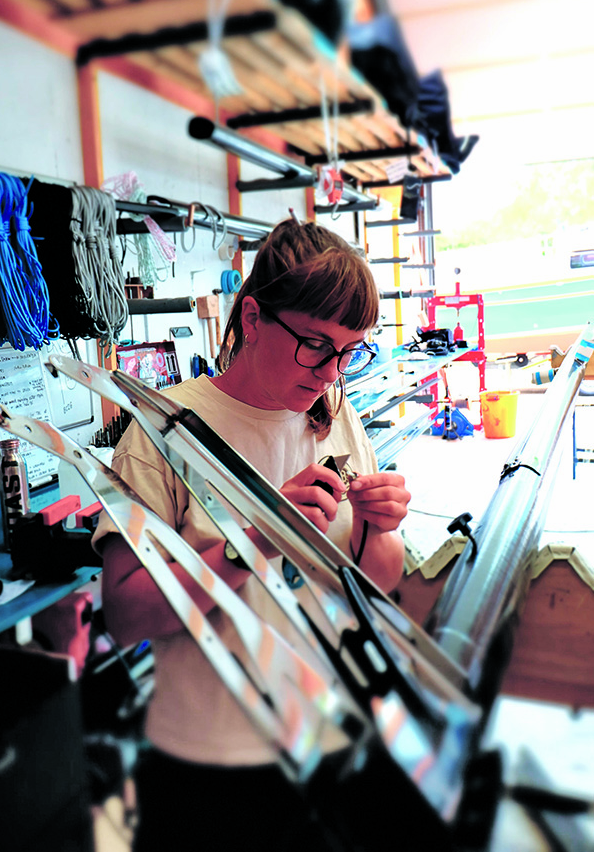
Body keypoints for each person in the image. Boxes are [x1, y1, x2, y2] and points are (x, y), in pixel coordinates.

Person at [93, 217, 411, 851]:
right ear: (255, 317)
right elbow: (125, 616)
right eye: (316, 344)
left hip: (327, 744)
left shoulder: (334, 417)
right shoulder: (164, 432)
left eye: (349, 350)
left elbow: (375, 581)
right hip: (212, 770)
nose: (329, 371)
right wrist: (258, 537)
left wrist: (381, 526)